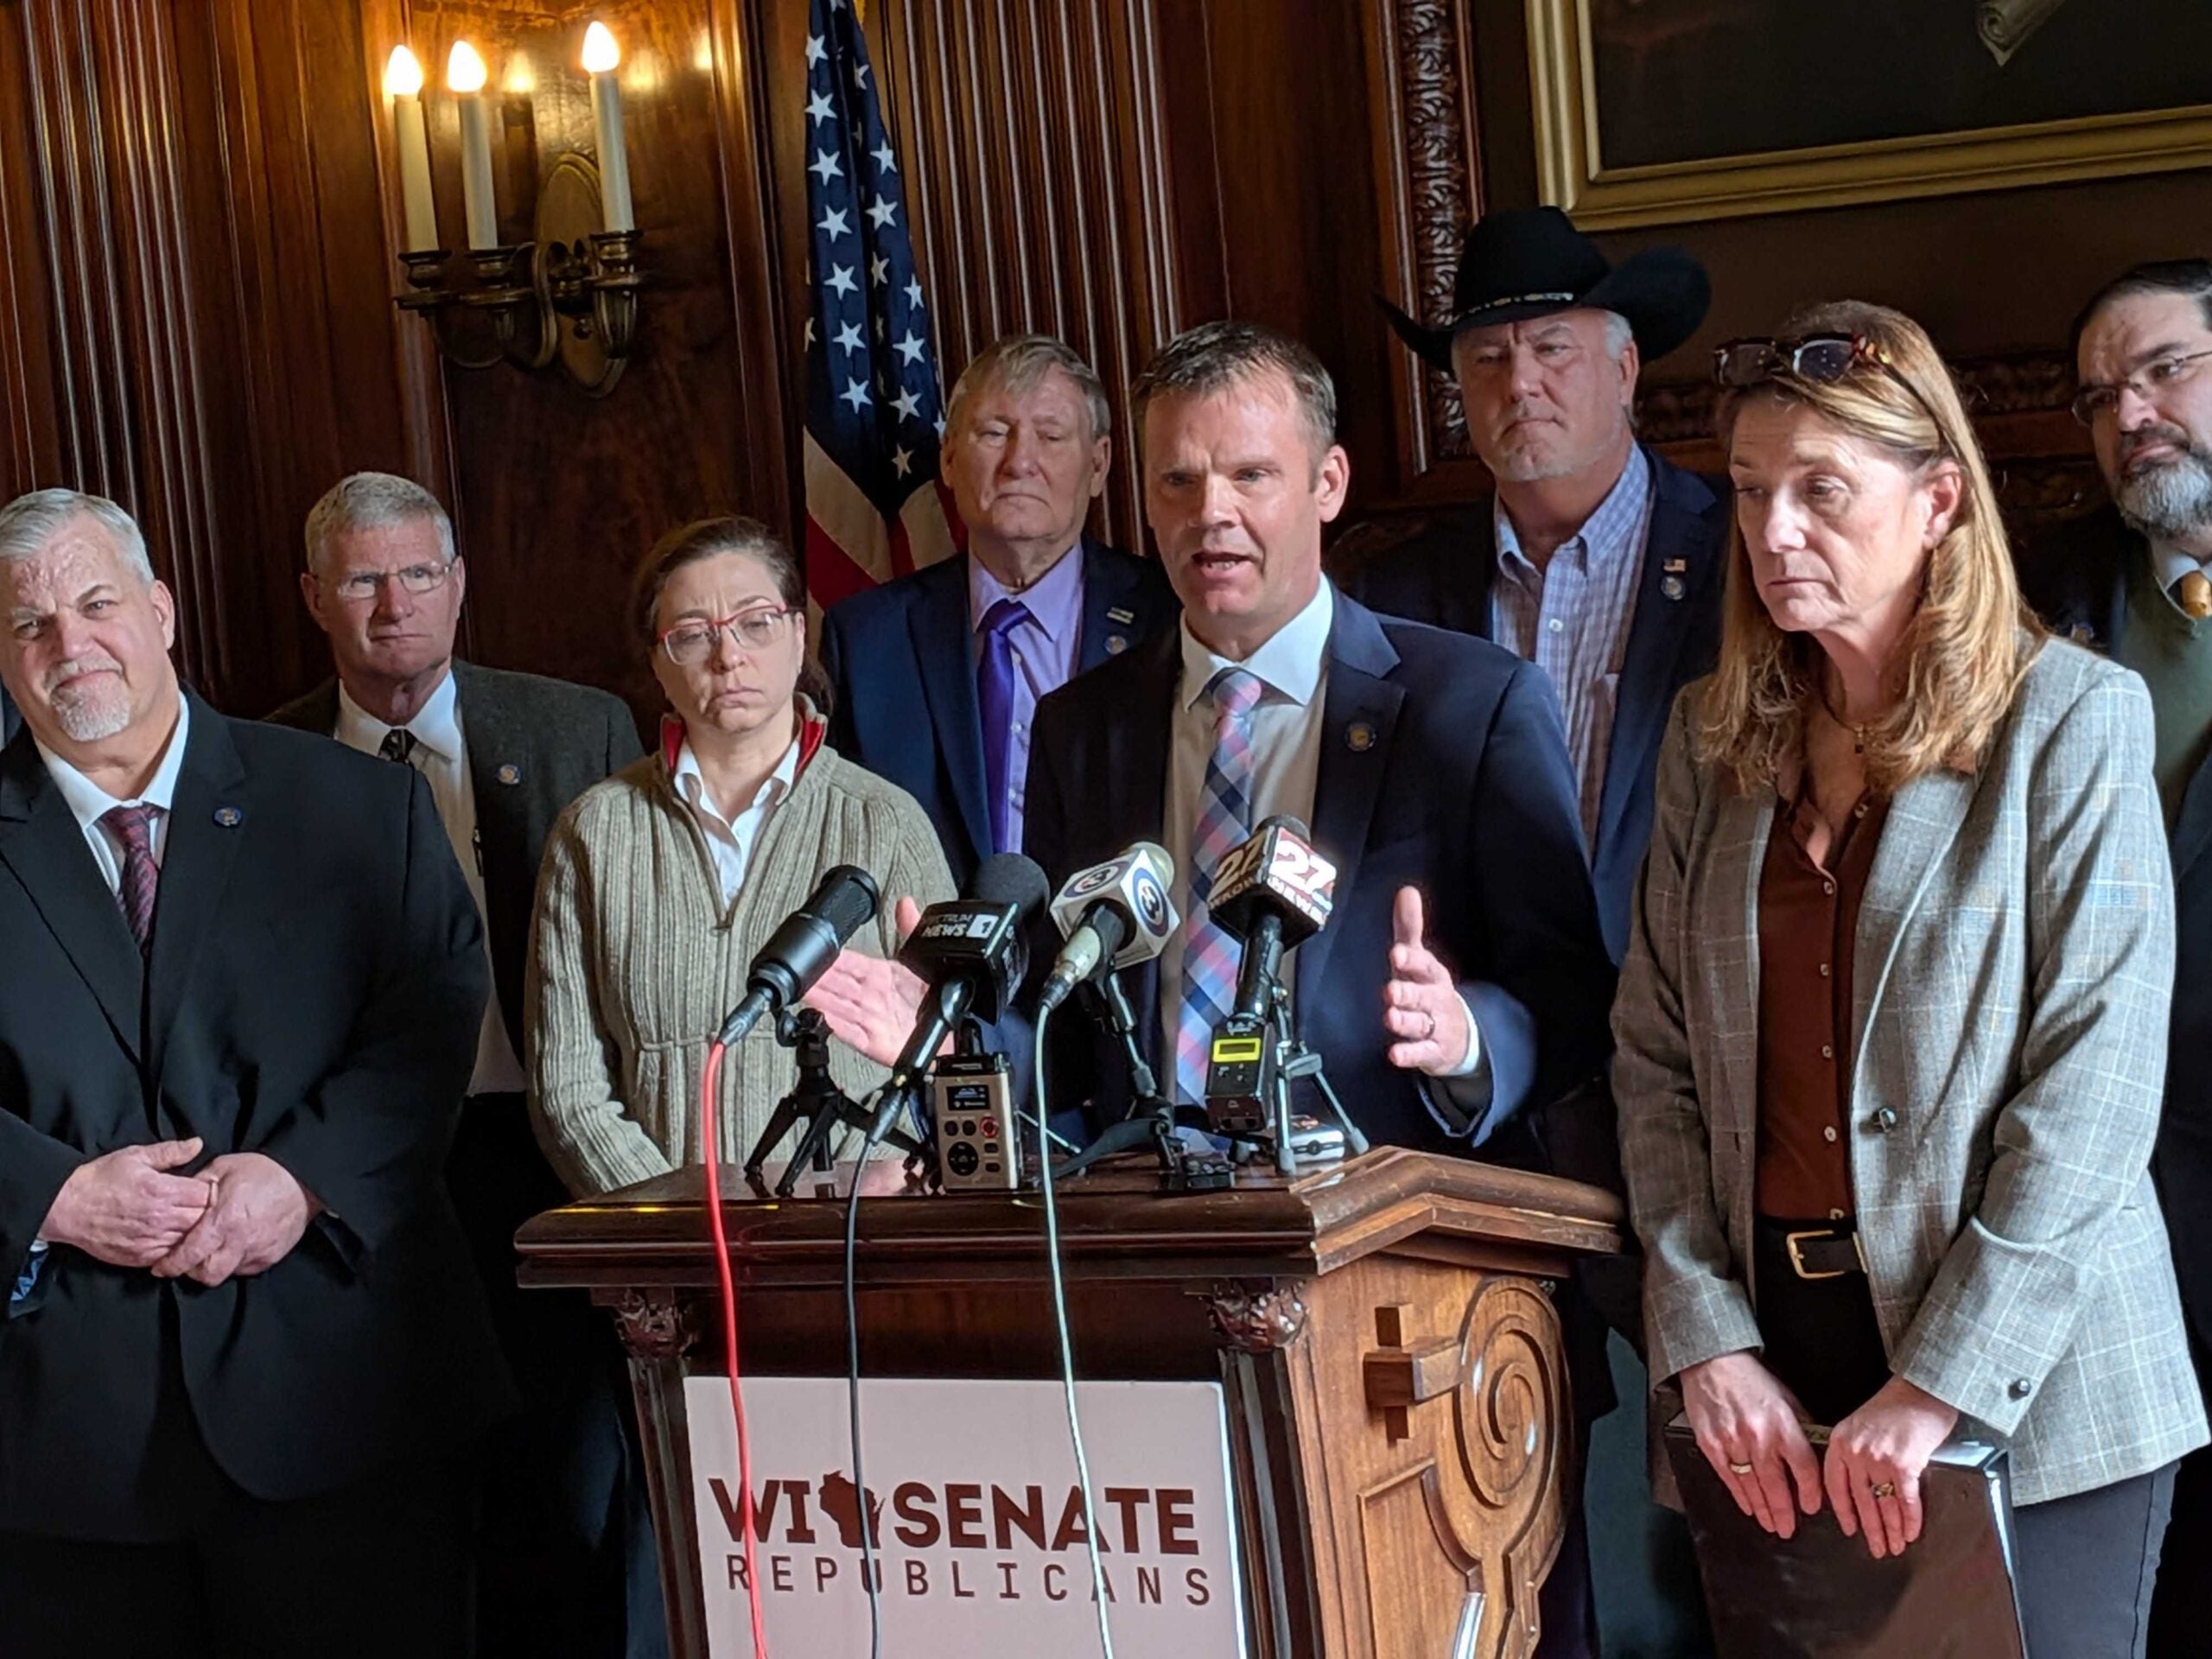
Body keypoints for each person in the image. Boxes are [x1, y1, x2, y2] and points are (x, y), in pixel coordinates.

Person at [1614, 301, 2208, 1659]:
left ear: (1939, 499)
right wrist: (1704, 1338)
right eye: (1754, 492)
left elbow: (2097, 1094)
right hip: (1770, 1373)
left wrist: (1938, 1383)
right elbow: (1652, 1063)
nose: (1773, 534)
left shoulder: (2073, 721)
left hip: (2034, 1383)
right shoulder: (1713, 743)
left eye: (1823, 490)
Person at [812, 321, 1613, 1158]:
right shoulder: (1085, 726)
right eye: (1178, 482)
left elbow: (1570, 1004)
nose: (1211, 514)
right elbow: (1067, 1030)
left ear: (1327, 483)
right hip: (1153, 1222)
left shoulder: (1470, 707)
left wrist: (1465, 1041)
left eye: (1251, 476)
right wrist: (952, 1041)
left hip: (1391, 1215)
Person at [0, 488, 508, 1656]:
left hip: (340, 1403)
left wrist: (305, 1179)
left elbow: (430, 1016)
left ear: (161, 610)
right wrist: (54, 1196)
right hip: (60, 1456)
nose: (70, 646)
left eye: (95, 604)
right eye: (30, 625)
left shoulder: (354, 803)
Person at [1357, 202, 1728, 1656]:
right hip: (1487, 1111)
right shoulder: (1391, 597)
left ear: (1626, 366)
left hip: (1707, 1097)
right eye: (1491, 356)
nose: (1524, 384)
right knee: (1508, 1529)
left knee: (1725, 1516)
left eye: (1554, 348)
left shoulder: (1747, 555)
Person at [266, 471, 654, 1659]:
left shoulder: (575, 726)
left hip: (545, 1153)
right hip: (359, 1183)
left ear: (461, 585)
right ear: (315, 600)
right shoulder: (263, 760)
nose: (396, 606)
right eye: (365, 580)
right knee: (405, 1481)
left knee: (571, 1472)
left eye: (419, 575)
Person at [529, 516, 955, 1195]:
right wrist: (678, 1221)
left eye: (755, 622)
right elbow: (568, 1089)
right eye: (692, 636)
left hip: (848, 1243)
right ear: (658, 664)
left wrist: (833, 1204)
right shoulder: (594, 833)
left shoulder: (885, 820)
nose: (728, 657)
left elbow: (947, 1063)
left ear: (797, 634)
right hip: (663, 1258)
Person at [2018, 258, 2212, 1656]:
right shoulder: (2045, 596)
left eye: (2162, 373)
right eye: (2100, 397)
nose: (2129, 413)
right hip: (2125, 1164)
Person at [819, 333, 1179, 882]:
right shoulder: (866, 640)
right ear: (948, 457)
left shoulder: (1168, 618)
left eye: (1052, 436)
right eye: (993, 433)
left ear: (1100, 464)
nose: (1020, 462)